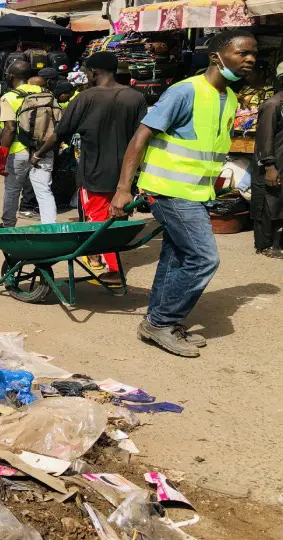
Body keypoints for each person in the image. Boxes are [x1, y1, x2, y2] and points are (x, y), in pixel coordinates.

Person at [110, 29, 257, 357]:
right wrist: (122, 190)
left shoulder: (230, 98)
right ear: (217, 56)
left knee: (176, 255)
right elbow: (140, 137)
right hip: (168, 191)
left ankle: (158, 320)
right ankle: (160, 322)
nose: (250, 59)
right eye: (242, 53)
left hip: (196, 193)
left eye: (253, 54)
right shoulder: (185, 91)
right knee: (204, 258)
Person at [33, 52, 147, 285]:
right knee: (117, 219)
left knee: (96, 219)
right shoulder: (136, 98)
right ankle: (99, 257)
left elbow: (59, 134)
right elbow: (142, 138)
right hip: (125, 175)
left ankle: (110, 269)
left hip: (94, 171)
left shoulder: (85, 98)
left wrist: (38, 153)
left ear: (93, 72)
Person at [0, 60, 59, 228]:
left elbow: (9, 129)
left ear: (11, 76)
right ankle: (50, 228)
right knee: (44, 190)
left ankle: (8, 225)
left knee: (12, 189)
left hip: (18, 151)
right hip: (43, 149)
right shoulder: (46, 93)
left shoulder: (9, 97)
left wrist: (2, 155)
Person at [251, 61, 283, 259]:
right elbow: (265, 138)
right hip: (271, 164)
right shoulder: (273, 105)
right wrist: (270, 166)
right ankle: (265, 245)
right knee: (267, 204)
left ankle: (276, 243)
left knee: (279, 204)